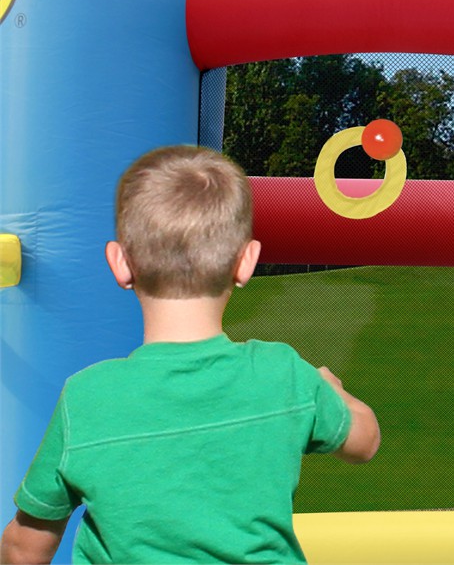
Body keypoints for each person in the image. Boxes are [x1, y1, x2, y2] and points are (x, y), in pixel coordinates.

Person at [0, 146, 380, 564]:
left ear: (120, 263)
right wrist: (331, 391)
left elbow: (25, 547)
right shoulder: (283, 374)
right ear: (247, 261)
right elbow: (365, 441)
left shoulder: (86, 397)